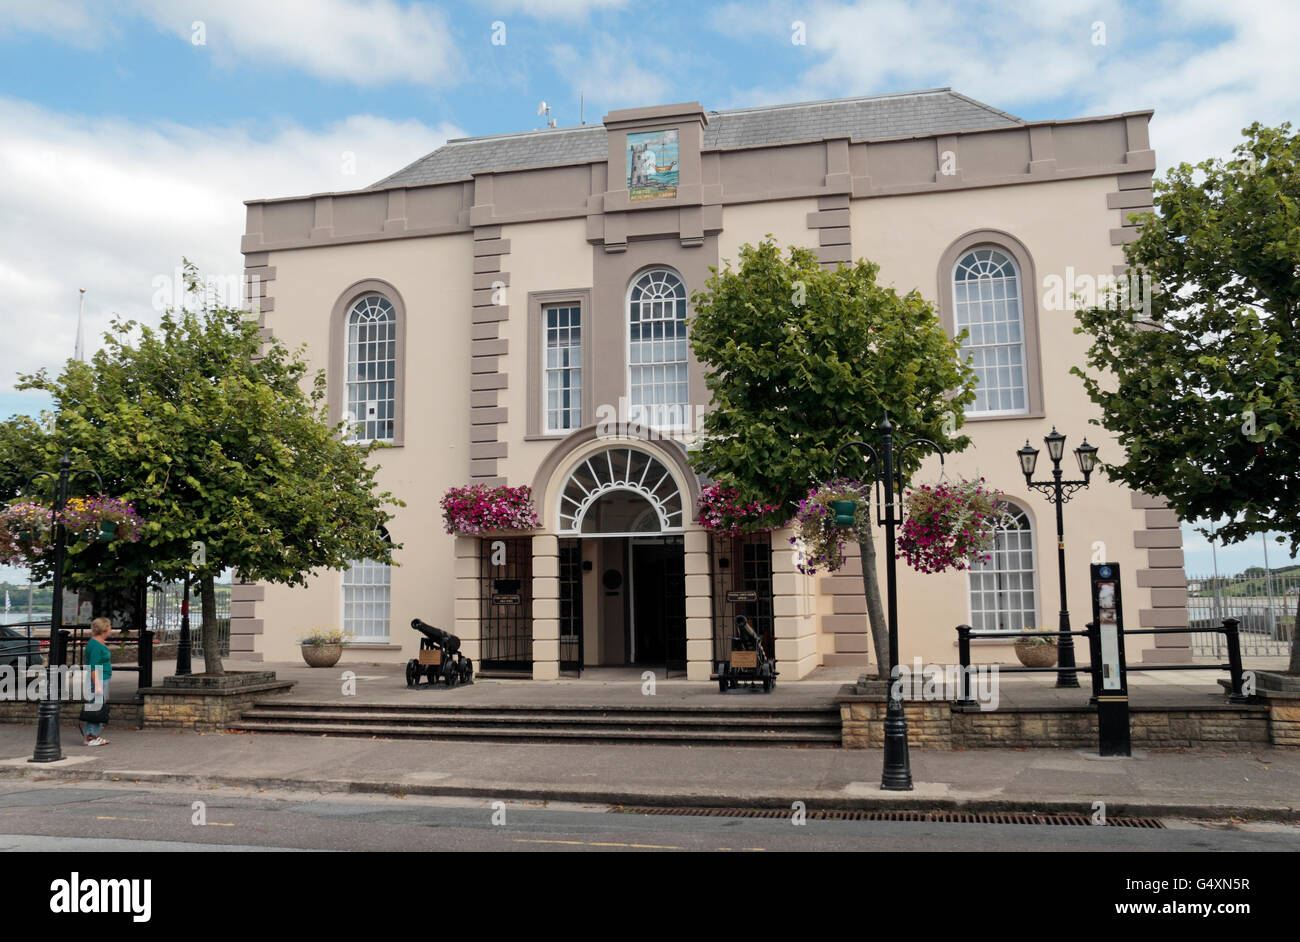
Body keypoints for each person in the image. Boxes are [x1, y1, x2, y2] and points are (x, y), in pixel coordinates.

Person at [83, 617, 112, 746]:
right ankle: (91, 736)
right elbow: (93, 666)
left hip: (102, 677)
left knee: (96, 706)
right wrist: (98, 686)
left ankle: (92, 735)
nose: (111, 629)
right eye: (109, 627)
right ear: (104, 629)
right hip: (98, 678)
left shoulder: (97, 643)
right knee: (97, 707)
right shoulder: (95, 645)